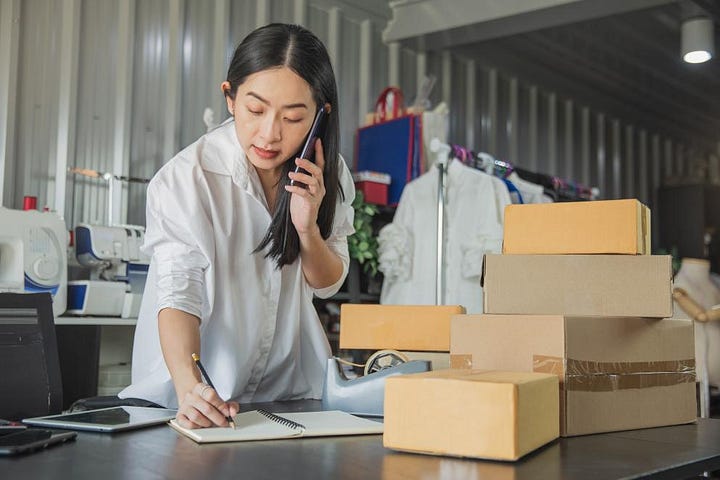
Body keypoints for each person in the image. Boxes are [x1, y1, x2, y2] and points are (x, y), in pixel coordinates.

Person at [119, 23, 355, 429]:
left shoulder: (327, 175)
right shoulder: (186, 179)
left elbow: (328, 282)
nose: (269, 133)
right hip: (195, 401)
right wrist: (188, 387)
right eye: (255, 109)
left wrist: (307, 229)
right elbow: (179, 294)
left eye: (293, 117)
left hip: (287, 398)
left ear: (320, 115)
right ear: (230, 98)